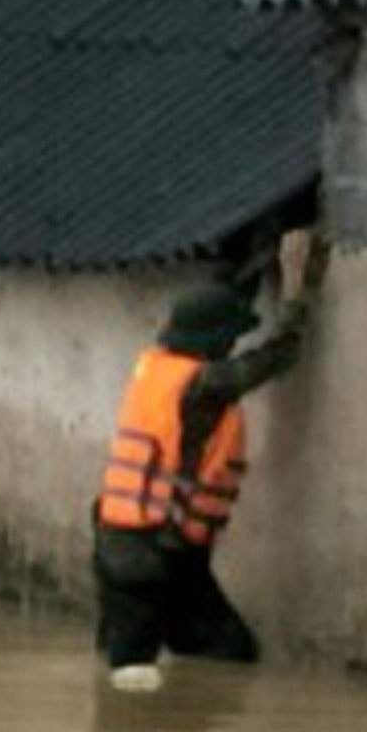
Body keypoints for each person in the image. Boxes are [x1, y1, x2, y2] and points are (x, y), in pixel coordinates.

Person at [90, 231, 318, 691]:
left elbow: (223, 298)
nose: (233, 344)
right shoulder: (205, 385)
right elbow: (279, 355)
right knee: (133, 686)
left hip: (141, 551)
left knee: (224, 656)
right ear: (213, 342)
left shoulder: (159, 368)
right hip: (151, 557)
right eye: (229, 338)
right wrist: (296, 292)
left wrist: (259, 260)